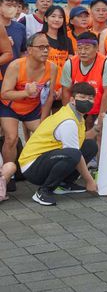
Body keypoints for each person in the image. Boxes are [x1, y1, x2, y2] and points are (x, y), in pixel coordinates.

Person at [18, 81, 99, 206]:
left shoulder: (76, 114)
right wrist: (89, 181)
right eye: (82, 97)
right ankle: (43, 191)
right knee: (73, 154)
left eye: (90, 98)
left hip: (45, 158)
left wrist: (97, 129)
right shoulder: (68, 121)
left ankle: (63, 184)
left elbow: (80, 140)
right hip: (32, 166)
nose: (86, 101)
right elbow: (75, 154)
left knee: (90, 146)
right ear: (72, 100)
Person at [1, 32, 57, 191]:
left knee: (46, 136)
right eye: (41, 47)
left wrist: (44, 121)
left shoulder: (52, 67)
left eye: (47, 47)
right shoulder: (16, 65)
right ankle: (7, 176)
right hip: (10, 107)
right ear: (29, 50)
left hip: (33, 109)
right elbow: (4, 93)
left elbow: (49, 97)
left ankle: (40, 171)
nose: (45, 50)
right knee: (11, 138)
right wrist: (25, 93)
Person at [60, 32, 107, 128]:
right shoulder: (70, 64)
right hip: (76, 108)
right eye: (79, 48)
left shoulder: (106, 63)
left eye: (86, 48)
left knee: (98, 132)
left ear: (96, 47)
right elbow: (66, 92)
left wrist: (100, 118)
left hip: (98, 108)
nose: (82, 52)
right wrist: (69, 116)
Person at [42, 5, 73, 105]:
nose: (57, 19)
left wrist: (63, 89)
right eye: (53, 16)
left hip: (63, 89)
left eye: (60, 17)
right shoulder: (39, 38)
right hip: (43, 88)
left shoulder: (67, 41)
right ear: (46, 18)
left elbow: (71, 66)